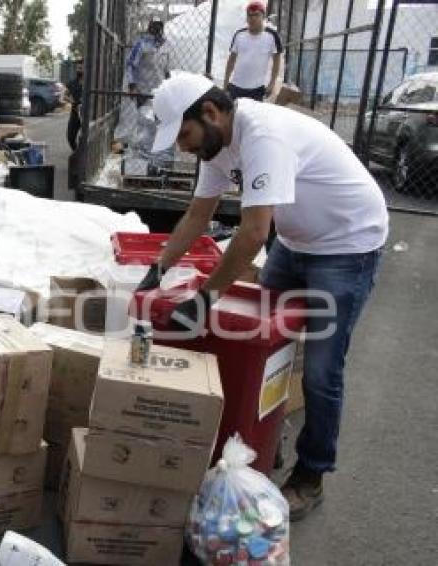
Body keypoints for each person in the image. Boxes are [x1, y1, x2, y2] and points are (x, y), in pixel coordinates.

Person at [137, 72, 388, 521]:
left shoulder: (262, 135)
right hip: (296, 243)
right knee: (267, 351)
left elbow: (253, 233)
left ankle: (311, 476)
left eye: (185, 134)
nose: (182, 147)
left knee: (320, 370)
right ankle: (262, 441)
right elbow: (199, 214)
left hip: (348, 244)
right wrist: (158, 268)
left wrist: (206, 298)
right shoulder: (217, 145)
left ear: (210, 113)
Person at [224, 1, 282, 102]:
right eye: (249, 15)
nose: (252, 18)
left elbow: (277, 62)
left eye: (256, 15)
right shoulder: (239, 34)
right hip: (236, 86)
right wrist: (225, 82)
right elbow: (231, 60)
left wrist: (272, 83)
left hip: (257, 89)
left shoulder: (272, 35)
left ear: (263, 16)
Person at [66, 60, 84, 150]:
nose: (79, 70)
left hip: (88, 114)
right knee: (70, 137)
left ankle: (84, 155)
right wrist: (70, 100)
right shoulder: (72, 83)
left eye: (81, 68)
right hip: (75, 112)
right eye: (78, 68)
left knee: (85, 137)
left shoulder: (91, 83)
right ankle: (76, 152)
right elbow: (65, 95)